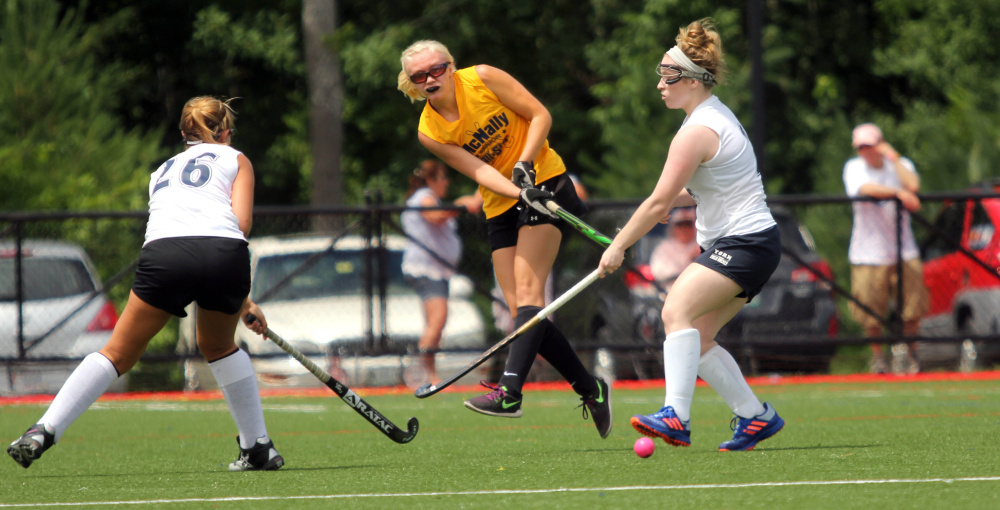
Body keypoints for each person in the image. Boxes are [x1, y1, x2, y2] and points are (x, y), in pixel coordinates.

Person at [7, 97, 283, 471]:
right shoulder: (237, 159)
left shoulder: (162, 170)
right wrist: (240, 296)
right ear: (226, 133)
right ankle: (258, 447)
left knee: (118, 352)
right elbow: (239, 224)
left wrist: (240, 299)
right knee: (218, 346)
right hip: (224, 251)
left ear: (184, 134)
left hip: (164, 254)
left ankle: (45, 428)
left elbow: (184, 230)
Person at [397, 40, 612, 438]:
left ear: (450, 65)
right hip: (502, 201)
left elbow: (539, 115)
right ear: (411, 84)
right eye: (419, 76)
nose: (430, 79)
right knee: (524, 316)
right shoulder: (429, 131)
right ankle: (591, 388)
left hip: (545, 180)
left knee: (531, 292)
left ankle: (510, 392)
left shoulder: (482, 78)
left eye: (436, 69)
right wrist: (516, 190)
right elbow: (479, 171)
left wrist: (526, 167)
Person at [596, 19, 784, 452]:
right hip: (750, 244)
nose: (660, 85)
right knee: (696, 337)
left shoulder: (696, 131)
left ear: (694, 81)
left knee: (673, 312)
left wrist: (618, 245)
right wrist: (675, 202)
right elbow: (699, 187)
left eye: (668, 76)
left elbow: (658, 203)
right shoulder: (713, 115)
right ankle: (756, 417)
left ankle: (675, 416)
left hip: (745, 243)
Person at [843, 122, 928, 375]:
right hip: (868, 251)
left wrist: (894, 157)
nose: (866, 151)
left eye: (870, 145)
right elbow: (863, 188)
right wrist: (897, 194)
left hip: (904, 248)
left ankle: (912, 357)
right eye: (861, 147)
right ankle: (878, 359)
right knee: (870, 311)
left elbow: (913, 185)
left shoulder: (900, 165)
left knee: (912, 308)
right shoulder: (854, 167)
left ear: (881, 143)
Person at [401, 159, 463, 385]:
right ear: (431, 180)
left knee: (434, 323)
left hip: (437, 270)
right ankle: (417, 371)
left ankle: (430, 374)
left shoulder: (430, 198)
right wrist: (458, 206)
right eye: (443, 177)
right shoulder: (424, 197)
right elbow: (434, 216)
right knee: (438, 319)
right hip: (427, 269)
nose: (446, 182)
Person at [649, 206, 701, 291]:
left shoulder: (702, 244)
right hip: (671, 290)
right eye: (680, 225)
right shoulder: (663, 248)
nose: (684, 229)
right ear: (673, 227)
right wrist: (688, 258)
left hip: (699, 287)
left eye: (688, 224)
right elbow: (660, 273)